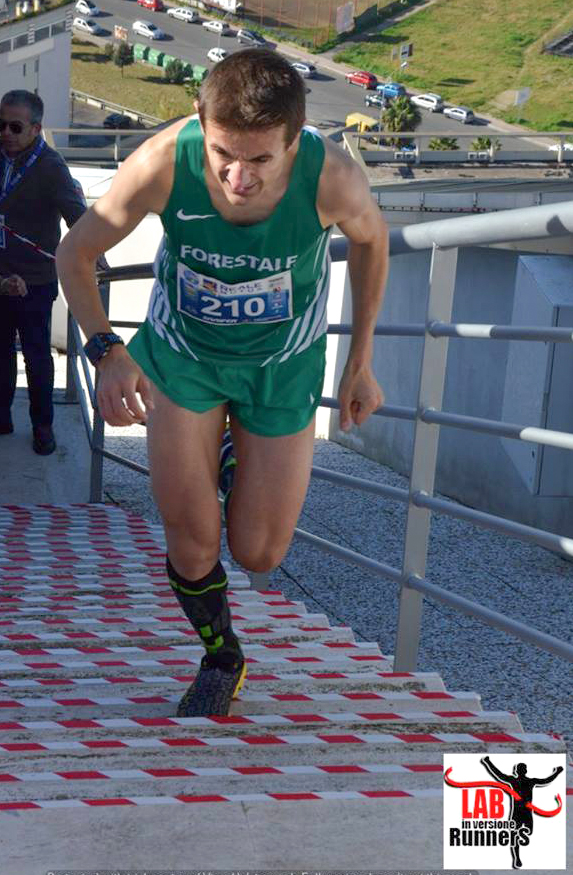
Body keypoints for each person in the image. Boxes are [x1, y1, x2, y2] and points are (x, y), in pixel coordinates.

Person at [56, 49, 389, 716]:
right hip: (184, 360)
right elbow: (76, 251)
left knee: (258, 548)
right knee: (192, 538)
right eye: (220, 155)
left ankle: (230, 449)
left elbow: (373, 243)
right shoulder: (159, 163)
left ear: (295, 142)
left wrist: (359, 360)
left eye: (261, 161)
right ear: (200, 126)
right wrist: (108, 352)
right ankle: (221, 654)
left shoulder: (334, 180)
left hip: (280, 366)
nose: (238, 178)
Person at [0, 90, 88, 454]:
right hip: (0, 277)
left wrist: (90, 255)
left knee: (36, 357)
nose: (5, 132)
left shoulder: (51, 168)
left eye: (15, 126)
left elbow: (78, 219)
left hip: (35, 282)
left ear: (36, 129)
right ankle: (2, 418)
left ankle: (43, 426)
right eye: (0, 124)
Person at [481, 756, 563, 868]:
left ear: (517, 771)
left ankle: (517, 857)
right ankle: (517, 858)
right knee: (520, 834)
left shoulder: (516, 781)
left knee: (518, 834)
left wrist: (488, 762)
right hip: (525, 813)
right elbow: (546, 780)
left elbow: (498, 774)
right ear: (525, 771)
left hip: (519, 813)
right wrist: (557, 772)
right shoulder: (529, 781)